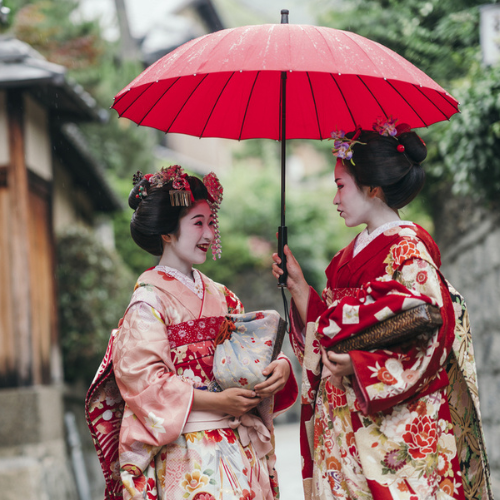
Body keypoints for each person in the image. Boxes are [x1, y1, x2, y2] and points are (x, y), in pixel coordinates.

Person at [272, 119, 492, 500]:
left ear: (373, 188)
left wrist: (358, 363)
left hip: (384, 421)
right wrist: (299, 289)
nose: (336, 199)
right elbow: (332, 325)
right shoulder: (346, 257)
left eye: (341, 186)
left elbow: (434, 331)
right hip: (341, 416)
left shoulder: (408, 248)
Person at [86, 165, 298, 500]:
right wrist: (218, 401)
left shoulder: (223, 296)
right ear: (166, 232)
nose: (210, 234)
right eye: (198, 223)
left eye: (211, 222)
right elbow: (145, 383)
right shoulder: (148, 300)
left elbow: (248, 352)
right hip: (185, 450)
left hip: (237, 445)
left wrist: (280, 365)